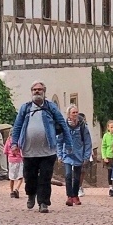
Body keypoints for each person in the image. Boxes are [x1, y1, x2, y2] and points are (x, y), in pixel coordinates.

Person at [10, 81, 68, 213]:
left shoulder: (51, 107)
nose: (37, 91)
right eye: (34, 90)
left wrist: (67, 144)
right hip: (29, 151)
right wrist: (14, 144)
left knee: (45, 178)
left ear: (44, 92)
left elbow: (63, 125)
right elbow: (17, 127)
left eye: (39, 89)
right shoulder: (25, 108)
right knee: (30, 177)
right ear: (31, 92)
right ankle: (31, 194)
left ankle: (43, 203)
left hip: (48, 151)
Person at [60, 104, 93, 206]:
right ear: (68, 114)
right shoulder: (64, 126)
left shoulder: (82, 126)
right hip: (67, 154)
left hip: (79, 154)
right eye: (73, 113)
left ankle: (75, 195)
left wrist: (86, 156)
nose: (75, 114)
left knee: (77, 177)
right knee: (68, 175)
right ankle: (69, 196)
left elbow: (88, 142)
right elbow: (59, 141)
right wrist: (60, 154)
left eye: (76, 112)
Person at [3, 134, 24, 199]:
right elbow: (22, 150)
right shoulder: (19, 140)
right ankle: (16, 189)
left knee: (11, 177)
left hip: (11, 160)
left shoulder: (8, 140)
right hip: (19, 160)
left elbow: (5, 151)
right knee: (20, 176)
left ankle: (11, 192)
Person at [101, 120, 113, 195]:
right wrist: (104, 157)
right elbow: (103, 147)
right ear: (108, 128)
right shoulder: (106, 136)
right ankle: (110, 187)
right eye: (111, 127)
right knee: (110, 172)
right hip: (109, 156)